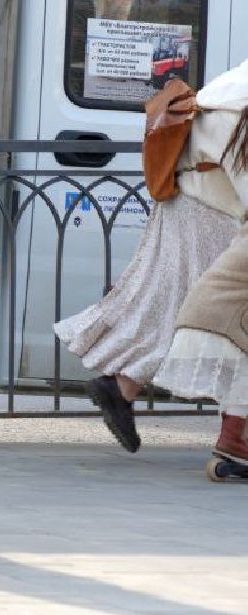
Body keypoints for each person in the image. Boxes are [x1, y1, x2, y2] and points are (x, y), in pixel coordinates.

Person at [58, 60, 248, 461]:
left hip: (189, 201)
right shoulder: (241, 110)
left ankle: (123, 386)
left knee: (175, 307)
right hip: (210, 210)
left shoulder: (232, 90)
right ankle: (233, 433)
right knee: (211, 315)